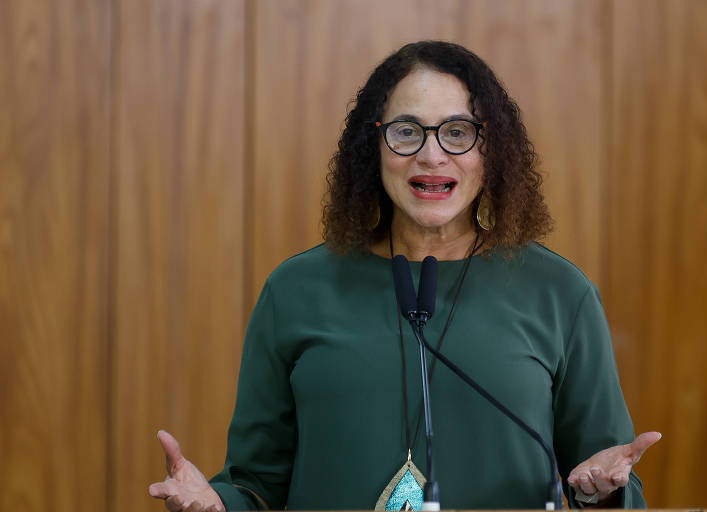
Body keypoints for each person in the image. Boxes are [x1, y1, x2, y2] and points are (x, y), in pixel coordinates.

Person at [148, 41, 660, 512]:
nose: (431, 154)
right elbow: (255, 483)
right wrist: (215, 504)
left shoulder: (560, 293)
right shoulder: (295, 290)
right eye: (406, 131)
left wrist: (603, 492)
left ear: (492, 151)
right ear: (372, 147)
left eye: (458, 132)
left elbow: (611, 479)